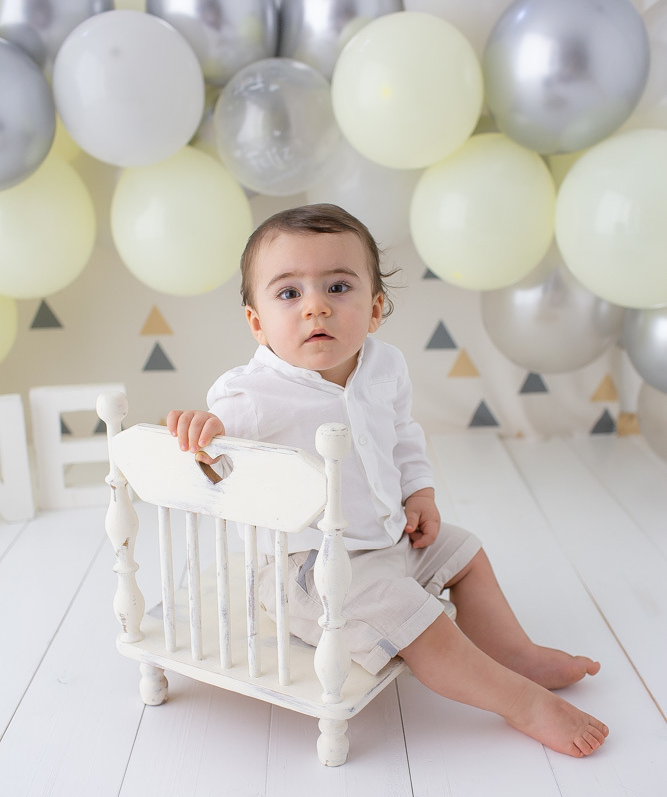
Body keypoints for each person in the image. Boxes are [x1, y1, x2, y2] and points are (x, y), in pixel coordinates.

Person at [168, 203, 608, 758]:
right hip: (305, 570)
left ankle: (515, 651)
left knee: (466, 554)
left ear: (375, 309)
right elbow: (219, 463)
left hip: (385, 535)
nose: (315, 308)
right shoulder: (249, 395)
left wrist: (417, 493)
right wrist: (205, 435)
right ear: (257, 323)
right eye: (288, 294)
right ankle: (520, 702)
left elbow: (401, 435)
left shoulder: (384, 365)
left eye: (338, 286)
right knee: (418, 622)